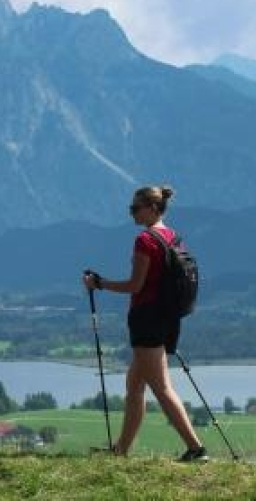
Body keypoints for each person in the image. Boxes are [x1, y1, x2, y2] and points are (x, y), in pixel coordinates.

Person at [82, 185, 208, 462]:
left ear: (152, 208)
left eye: (135, 208)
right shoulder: (172, 236)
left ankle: (195, 449)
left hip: (146, 320)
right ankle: (120, 451)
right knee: (134, 386)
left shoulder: (144, 240)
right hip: (166, 318)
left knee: (161, 388)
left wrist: (99, 283)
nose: (131, 213)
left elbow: (134, 285)